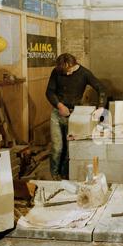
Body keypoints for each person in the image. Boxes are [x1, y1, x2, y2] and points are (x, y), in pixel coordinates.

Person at [46, 53, 107, 181]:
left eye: (69, 70)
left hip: (75, 115)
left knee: (70, 149)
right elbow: (49, 92)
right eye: (64, 71)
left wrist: (101, 107)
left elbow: (101, 88)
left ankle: (64, 175)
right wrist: (59, 105)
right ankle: (54, 175)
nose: (67, 74)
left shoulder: (84, 73)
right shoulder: (56, 71)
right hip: (58, 113)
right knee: (57, 147)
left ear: (75, 64)